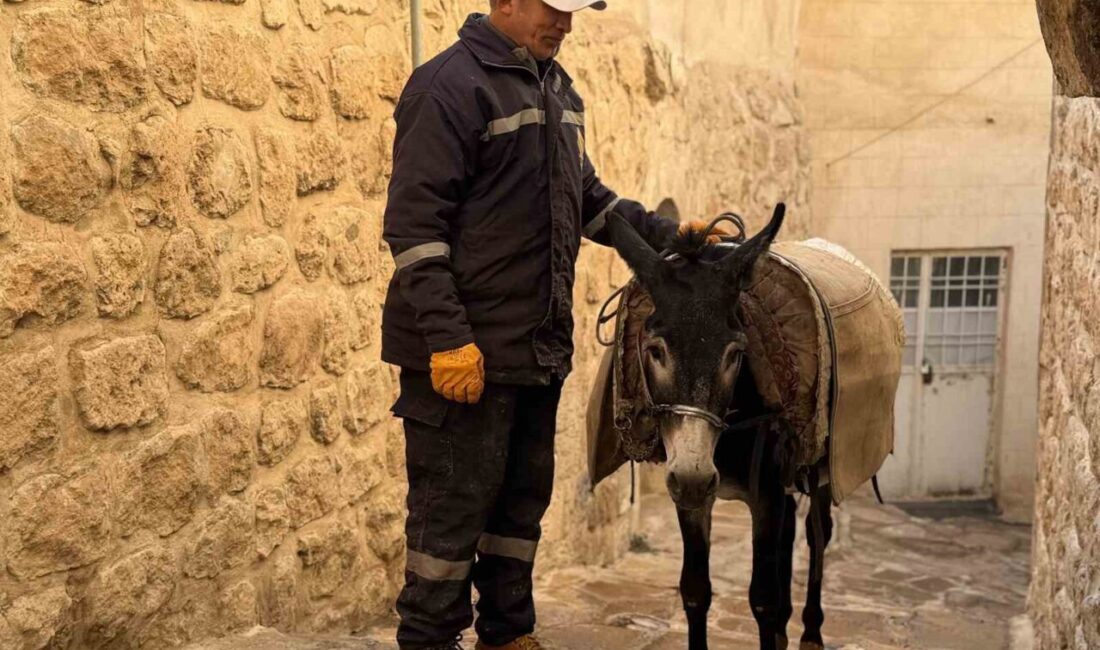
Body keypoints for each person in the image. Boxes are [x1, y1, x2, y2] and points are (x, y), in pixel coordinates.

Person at [381, 1, 717, 648]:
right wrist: (449, 340)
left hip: (535, 352)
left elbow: (588, 201)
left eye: (573, 12)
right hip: (463, 360)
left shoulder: (558, 89)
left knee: (518, 509)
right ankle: (428, 639)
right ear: (505, 1)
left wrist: (667, 236)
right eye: (552, 9)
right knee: (449, 521)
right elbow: (414, 230)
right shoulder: (448, 86)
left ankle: (509, 633)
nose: (566, 23)